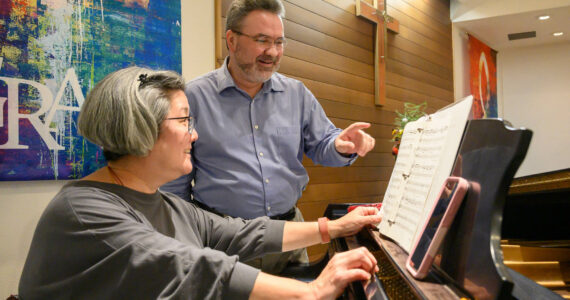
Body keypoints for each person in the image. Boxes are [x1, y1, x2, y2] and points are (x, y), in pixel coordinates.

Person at [18, 66, 382, 300]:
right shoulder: (83, 210)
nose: (194, 135)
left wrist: (332, 227)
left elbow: (240, 233)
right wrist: (312, 292)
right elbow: (188, 266)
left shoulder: (165, 203)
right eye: (184, 122)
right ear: (141, 130)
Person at [161, 0, 376, 274]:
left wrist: (342, 146)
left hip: (290, 234)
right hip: (223, 241)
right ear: (232, 40)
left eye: (279, 42)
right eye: (262, 40)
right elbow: (174, 184)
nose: (272, 52)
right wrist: (186, 243)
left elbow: (324, 144)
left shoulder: (296, 94)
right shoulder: (194, 97)